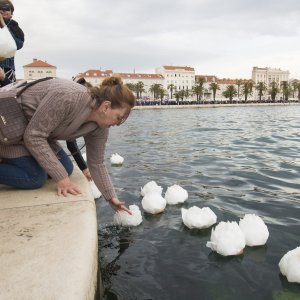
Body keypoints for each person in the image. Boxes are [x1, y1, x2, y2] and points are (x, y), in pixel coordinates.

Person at [0, 77, 135, 214]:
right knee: (35, 177)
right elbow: (34, 136)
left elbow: (97, 163)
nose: (117, 124)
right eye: (119, 118)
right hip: (8, 127)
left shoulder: (101, 127)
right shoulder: (68, 96)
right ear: (106, 106)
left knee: (67, 168)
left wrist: (111, 197)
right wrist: (61, 179)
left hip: (30, 131)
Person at [0, 0, 24, 86]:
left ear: (11, 14)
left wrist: (3, 25)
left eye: (6, 8)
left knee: (8, 95)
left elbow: (18, 45)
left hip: (7, 69)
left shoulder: (14, 27)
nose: (2, 11)